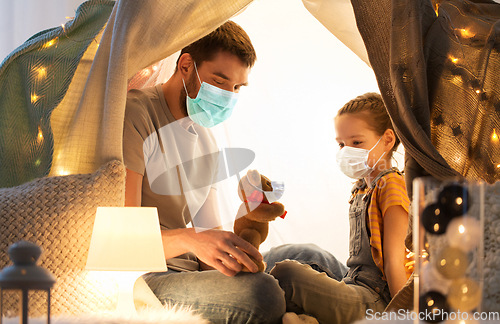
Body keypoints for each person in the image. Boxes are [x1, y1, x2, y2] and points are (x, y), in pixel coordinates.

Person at [123, 21, 285, 323]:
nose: (229, 96)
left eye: (237, 88)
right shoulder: (137, 114)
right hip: (153, 278)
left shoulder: (206, 139)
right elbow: (123, 237)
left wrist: (241, 234)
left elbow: (208, 235)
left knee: (296, 262)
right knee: (264, 294)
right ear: (186, 65)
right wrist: (191, 240)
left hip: (194, 274)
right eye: (220, 82)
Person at [267, 93, 411, 323]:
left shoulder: (392, 185)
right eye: (341, 144)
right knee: (302, 262)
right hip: (352, 282)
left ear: (387, 140)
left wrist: (403, 316)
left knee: (287, 274)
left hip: (375, 300)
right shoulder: (361, 189)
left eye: (356, 142)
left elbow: (395, 261)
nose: (346, 151)